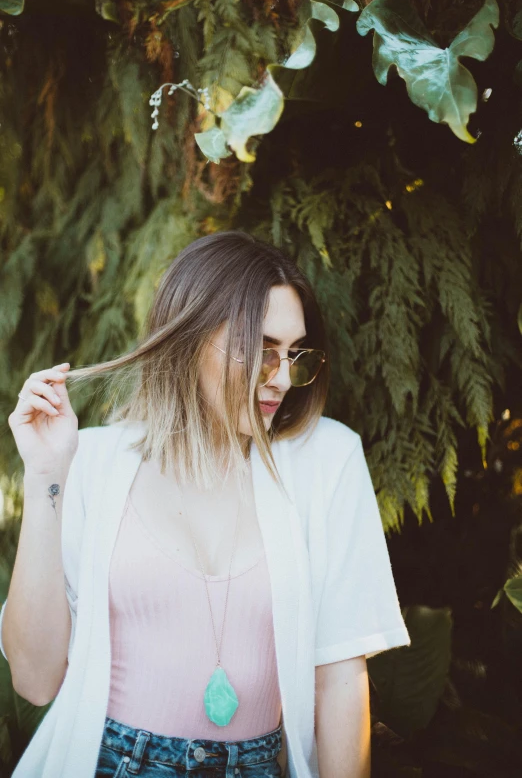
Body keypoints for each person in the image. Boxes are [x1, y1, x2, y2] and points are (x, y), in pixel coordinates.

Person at [2, 230, 410, 778]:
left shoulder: (328, 460)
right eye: (263, 351)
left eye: (295, 355)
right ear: (190, 338)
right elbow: (34, 679)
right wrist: (46, 475)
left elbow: (339, 675)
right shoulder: (89, 462)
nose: (284, 378)